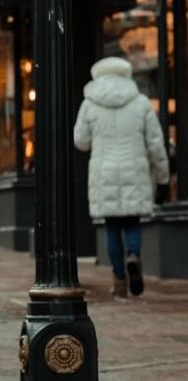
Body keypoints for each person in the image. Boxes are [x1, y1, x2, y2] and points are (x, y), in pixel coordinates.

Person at [73, 56, 169, 298]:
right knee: (132, 222)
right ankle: (133, 256)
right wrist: (163, 177)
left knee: (112, 227)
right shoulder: (141, 102)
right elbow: (156, 144)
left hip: (104, 172)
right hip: (134, 170)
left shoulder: (89, 104)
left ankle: (119, 281)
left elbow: (81, 141)